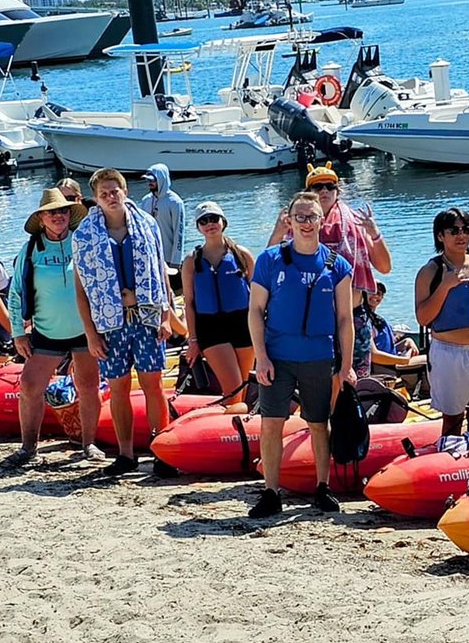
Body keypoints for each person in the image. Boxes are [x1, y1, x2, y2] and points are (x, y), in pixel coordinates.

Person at [248, 190, 356, 518]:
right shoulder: (270, 260)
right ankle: (271, 492)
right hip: (278, 357)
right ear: (289, 221)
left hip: (319, 357)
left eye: (312, 217)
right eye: (300, 217)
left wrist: (346, 366)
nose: (306, 223)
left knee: (319, 424)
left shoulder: (337, 265)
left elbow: (344, 319)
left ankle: (322, 487)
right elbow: (255, 310)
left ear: (322, 221)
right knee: (271, 423)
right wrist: (261, 357)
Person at [73, 168, 174, 476]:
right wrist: (90, 334)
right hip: (110, 324)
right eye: (104, 193)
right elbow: (80, 291)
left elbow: (161, 271)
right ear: (95, 199)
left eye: (115, 191)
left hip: (146, 318)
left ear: (125, 191)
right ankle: (126, 454)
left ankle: (162, 451)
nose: (110, 197)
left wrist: (167, 315)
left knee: (153, 386)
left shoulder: (148, 225)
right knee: (118, 388)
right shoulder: (83, 236)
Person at [5, 188, 103, 467]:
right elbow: (15, 293)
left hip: (86, 330)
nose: (58, 216)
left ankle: (89, 445)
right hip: (47, 332)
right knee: (29, 385)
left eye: (62, 211)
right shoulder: (30, 249)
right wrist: (18, 332)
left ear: (69, 214)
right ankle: (28, 448)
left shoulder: (83, 242)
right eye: (51, 212)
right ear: (41, 218)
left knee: (88, 385)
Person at [275, 162, 392, 379]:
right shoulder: (294, 227)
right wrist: (277, 231)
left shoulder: (356, 224)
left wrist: (375, 234)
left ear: (338, 191)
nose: (324, 191)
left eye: (330, 186)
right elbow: (271, 267)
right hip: (314, 319)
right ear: (308, 193)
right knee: (319, 382)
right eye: (318, 187)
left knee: (355, 381)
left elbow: (384, 267)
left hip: (353, 315)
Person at [415, 207, 469, 437]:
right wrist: (445, 286)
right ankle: (449, 463)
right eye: (454, 230)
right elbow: (423, 317)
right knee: (453, 417)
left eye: (465, 229)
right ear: (440, 236)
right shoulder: (430, 271)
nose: (461, 235)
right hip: (449, 352)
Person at [181, 201, 255, 404]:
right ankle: (229, 423)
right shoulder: (191, 261)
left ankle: (237, 428)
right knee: (232, 387)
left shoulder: (242, 255)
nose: (209, 224)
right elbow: (189, 303)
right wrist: (193, 341)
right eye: (203, 221)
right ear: (198, 227)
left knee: (243, 386)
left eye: (214, 219)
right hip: (210, 328)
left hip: (242, 325)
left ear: (223, 222)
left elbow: (259, 297)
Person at [364, 281, 420, 370]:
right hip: (381, 369)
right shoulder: (364, 322)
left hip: (390, 365)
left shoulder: (378, 320)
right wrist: (403, 360)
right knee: (427, 360)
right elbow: (374, 356)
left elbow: (387, 349)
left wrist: (406, 342)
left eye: (379, 293)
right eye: (371, 292)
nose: (375, 295)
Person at [139, 163, 185, 269]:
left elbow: (179, 232)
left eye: (152, 180)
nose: (149, 183)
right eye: (147, 180)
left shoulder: (175, 202)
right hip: (151, 256)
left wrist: (176, 261)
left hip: (168, 258)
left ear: (161, 179)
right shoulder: (146, 200)